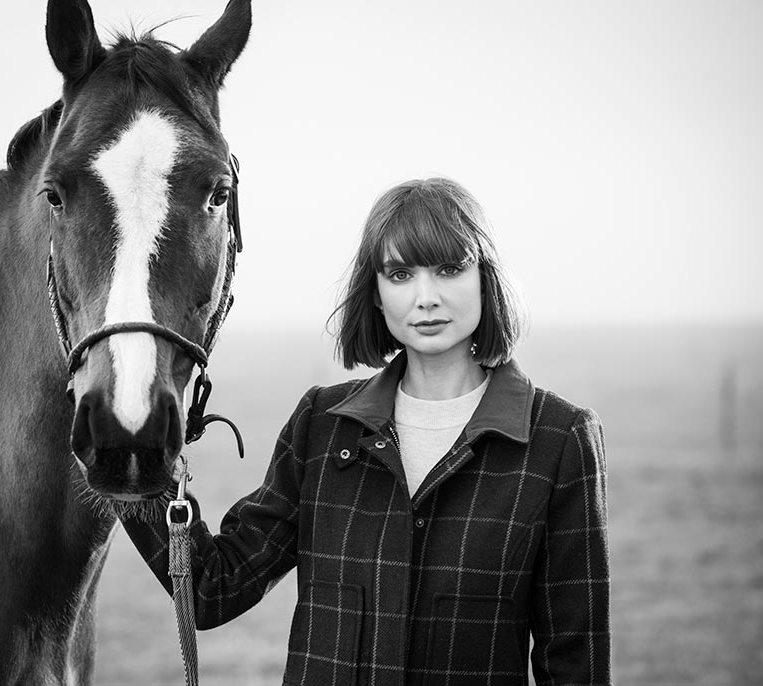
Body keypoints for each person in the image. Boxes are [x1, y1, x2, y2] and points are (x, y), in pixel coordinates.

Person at [124, 177, 611, 685]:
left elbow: (575, 665)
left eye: (449, 269)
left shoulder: (558, 440)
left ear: (485, 279)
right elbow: (212, 587)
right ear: (376, 295)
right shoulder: (321, 426)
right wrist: (130, 445)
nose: (426, 298)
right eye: (400, 274)